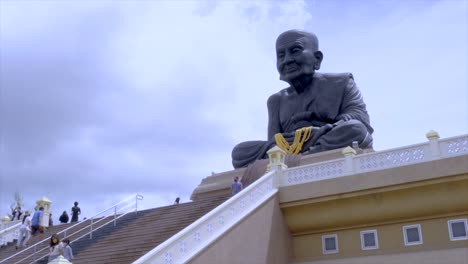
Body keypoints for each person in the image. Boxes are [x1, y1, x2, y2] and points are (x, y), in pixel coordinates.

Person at [231, 30, 373, 169]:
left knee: (355, 129)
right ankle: (304, 158)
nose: (287, 60)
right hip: (288, 146)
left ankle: (303, 159)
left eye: (295, 51)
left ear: (317, 59)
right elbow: (272, 143)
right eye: (281, 55)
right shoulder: (276, 100)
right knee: (239, 152)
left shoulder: (341, 82)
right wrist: (293, 140)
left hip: (323, 137)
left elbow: (360, 117)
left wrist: (315, 131)